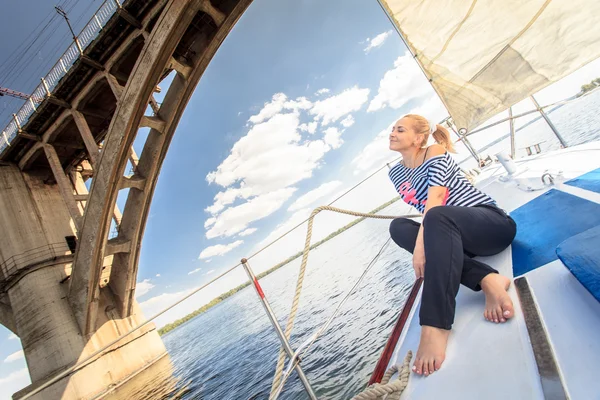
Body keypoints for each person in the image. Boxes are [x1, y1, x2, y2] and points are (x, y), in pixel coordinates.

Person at [387, 114, 517, 377]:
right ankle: (487, 278)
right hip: (453, 235)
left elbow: (436, 198)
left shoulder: (434, 151)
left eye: (400, 129)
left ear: (419, 137)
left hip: (491, 225)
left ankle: (435, 325)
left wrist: (422, 249)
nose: (392, 133)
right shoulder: (396, 172)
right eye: (392, 129)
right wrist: (425, 243)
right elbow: (424, 208)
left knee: (436, 215)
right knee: (398, 227)